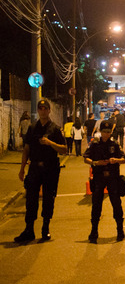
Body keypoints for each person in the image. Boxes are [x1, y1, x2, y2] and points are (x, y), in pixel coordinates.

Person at [14, 99, 67, 243]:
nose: (43, 111)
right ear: (38, 110)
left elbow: (64, 150)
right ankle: (29, 230)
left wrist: (50, 143)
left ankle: (45, 228)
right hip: (34, 168)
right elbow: (26, 149)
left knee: (49, 198)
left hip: (50, 169)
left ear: (49, 111)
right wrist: (22, 169)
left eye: (45, 108)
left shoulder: (55, 129)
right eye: (40, 108)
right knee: (31, 199)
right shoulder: (32, 128)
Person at [83, 120, 125, 243]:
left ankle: (120, 230)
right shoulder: (95, 144)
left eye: (108, 132)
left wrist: (116, 160)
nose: (106, 134)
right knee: (96, 205)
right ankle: (94, 231)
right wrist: (95, 163)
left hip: (113, 178)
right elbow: (85, 158)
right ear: (100, 132)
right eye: (104, 132)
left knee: (116, 204)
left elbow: (123, 159)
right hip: (99, 178)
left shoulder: (115, 144)